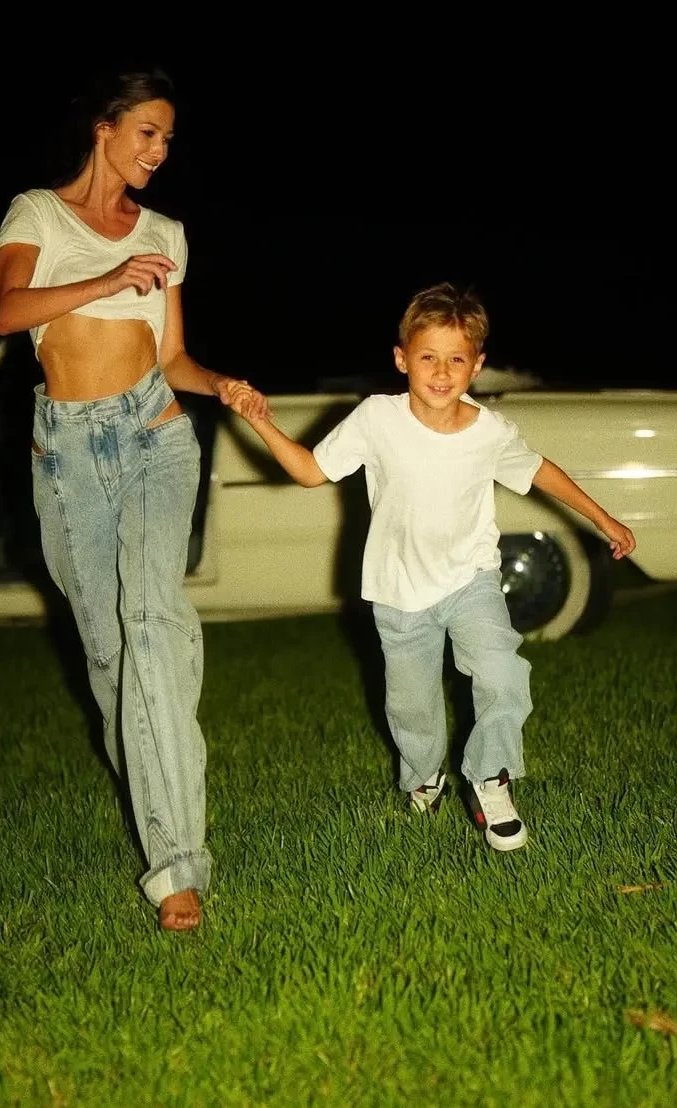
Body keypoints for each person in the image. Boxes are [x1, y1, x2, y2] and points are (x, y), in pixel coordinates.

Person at [0, 67, 268, 929]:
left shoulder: (164, 233)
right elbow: (8, 312)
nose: (160, 150)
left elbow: (172, 357)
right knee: (115, 663)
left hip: (154, 435)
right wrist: (108, 280)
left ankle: (177, 865)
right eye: (148, 132)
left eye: (169, 138)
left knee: (150, 623)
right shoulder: (36, 213)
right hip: (67, 451)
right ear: (104, 129)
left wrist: (220, 383)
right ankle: (162, 794)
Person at [229, 282, 636, 852]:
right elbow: (309, 471)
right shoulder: (377, 419)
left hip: (471, 579)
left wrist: (603, 518)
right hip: (398, 591)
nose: (441, 373)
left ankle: (491, 779)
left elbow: (540, 470)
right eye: (428, 357)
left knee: (501, 672)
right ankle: (425, 777)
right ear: (402, 359)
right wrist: (260, 420)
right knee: (411, 707)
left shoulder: (488, 431)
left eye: (456, 359)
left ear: (477, 366)